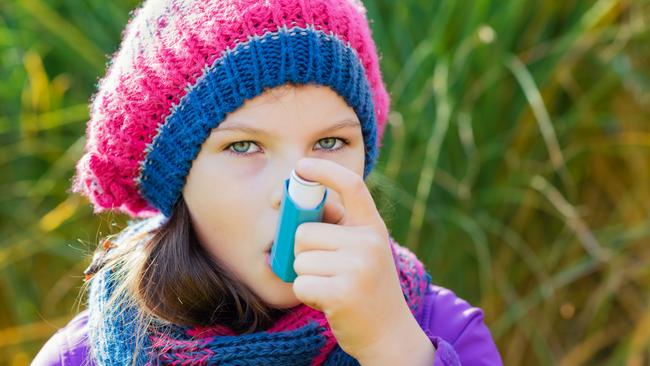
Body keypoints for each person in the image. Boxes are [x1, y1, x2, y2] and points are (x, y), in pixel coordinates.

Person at [32, 0, 503, 364]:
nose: (296, 190)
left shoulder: (441, 331)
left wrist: (392, 347)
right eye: (243, 147)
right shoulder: (79, 357)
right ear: (177, 178)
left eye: (331, 142)